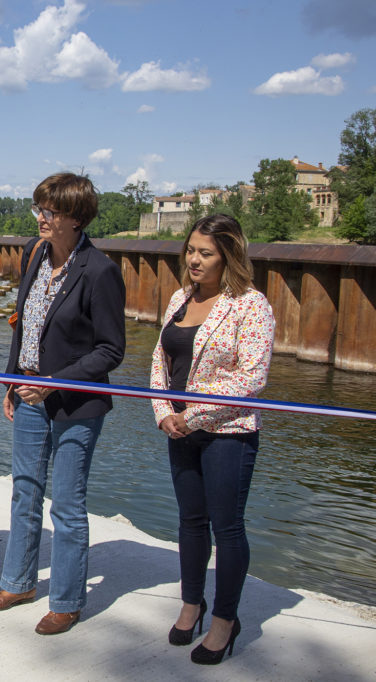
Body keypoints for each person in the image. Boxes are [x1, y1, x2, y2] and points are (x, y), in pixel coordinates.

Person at [0, 172, 125, 635]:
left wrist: (53, 383)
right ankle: (18, 581)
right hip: (28, 396)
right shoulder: (33, 253)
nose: (40, 217)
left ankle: (66, 599)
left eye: (49, 211)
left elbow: (110, 350)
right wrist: (12, 381)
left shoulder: (99, 270)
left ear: (75, 218)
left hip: (75, 404)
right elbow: (22, 323)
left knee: (66, 502)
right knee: (25, 489)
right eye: (38, 208)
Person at [150, 213, 274, 665]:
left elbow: (251, 377)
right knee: (190, 522)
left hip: (227, 432)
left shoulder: (250, 305)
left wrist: (194, 414)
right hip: (179, 429)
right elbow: (159, 362)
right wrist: (164, 411)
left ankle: (225, 619)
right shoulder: (181, 298)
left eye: (206, 253)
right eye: (191, 250)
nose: (194, 260)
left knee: (227, 527)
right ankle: (191, 603)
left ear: (228, 257)